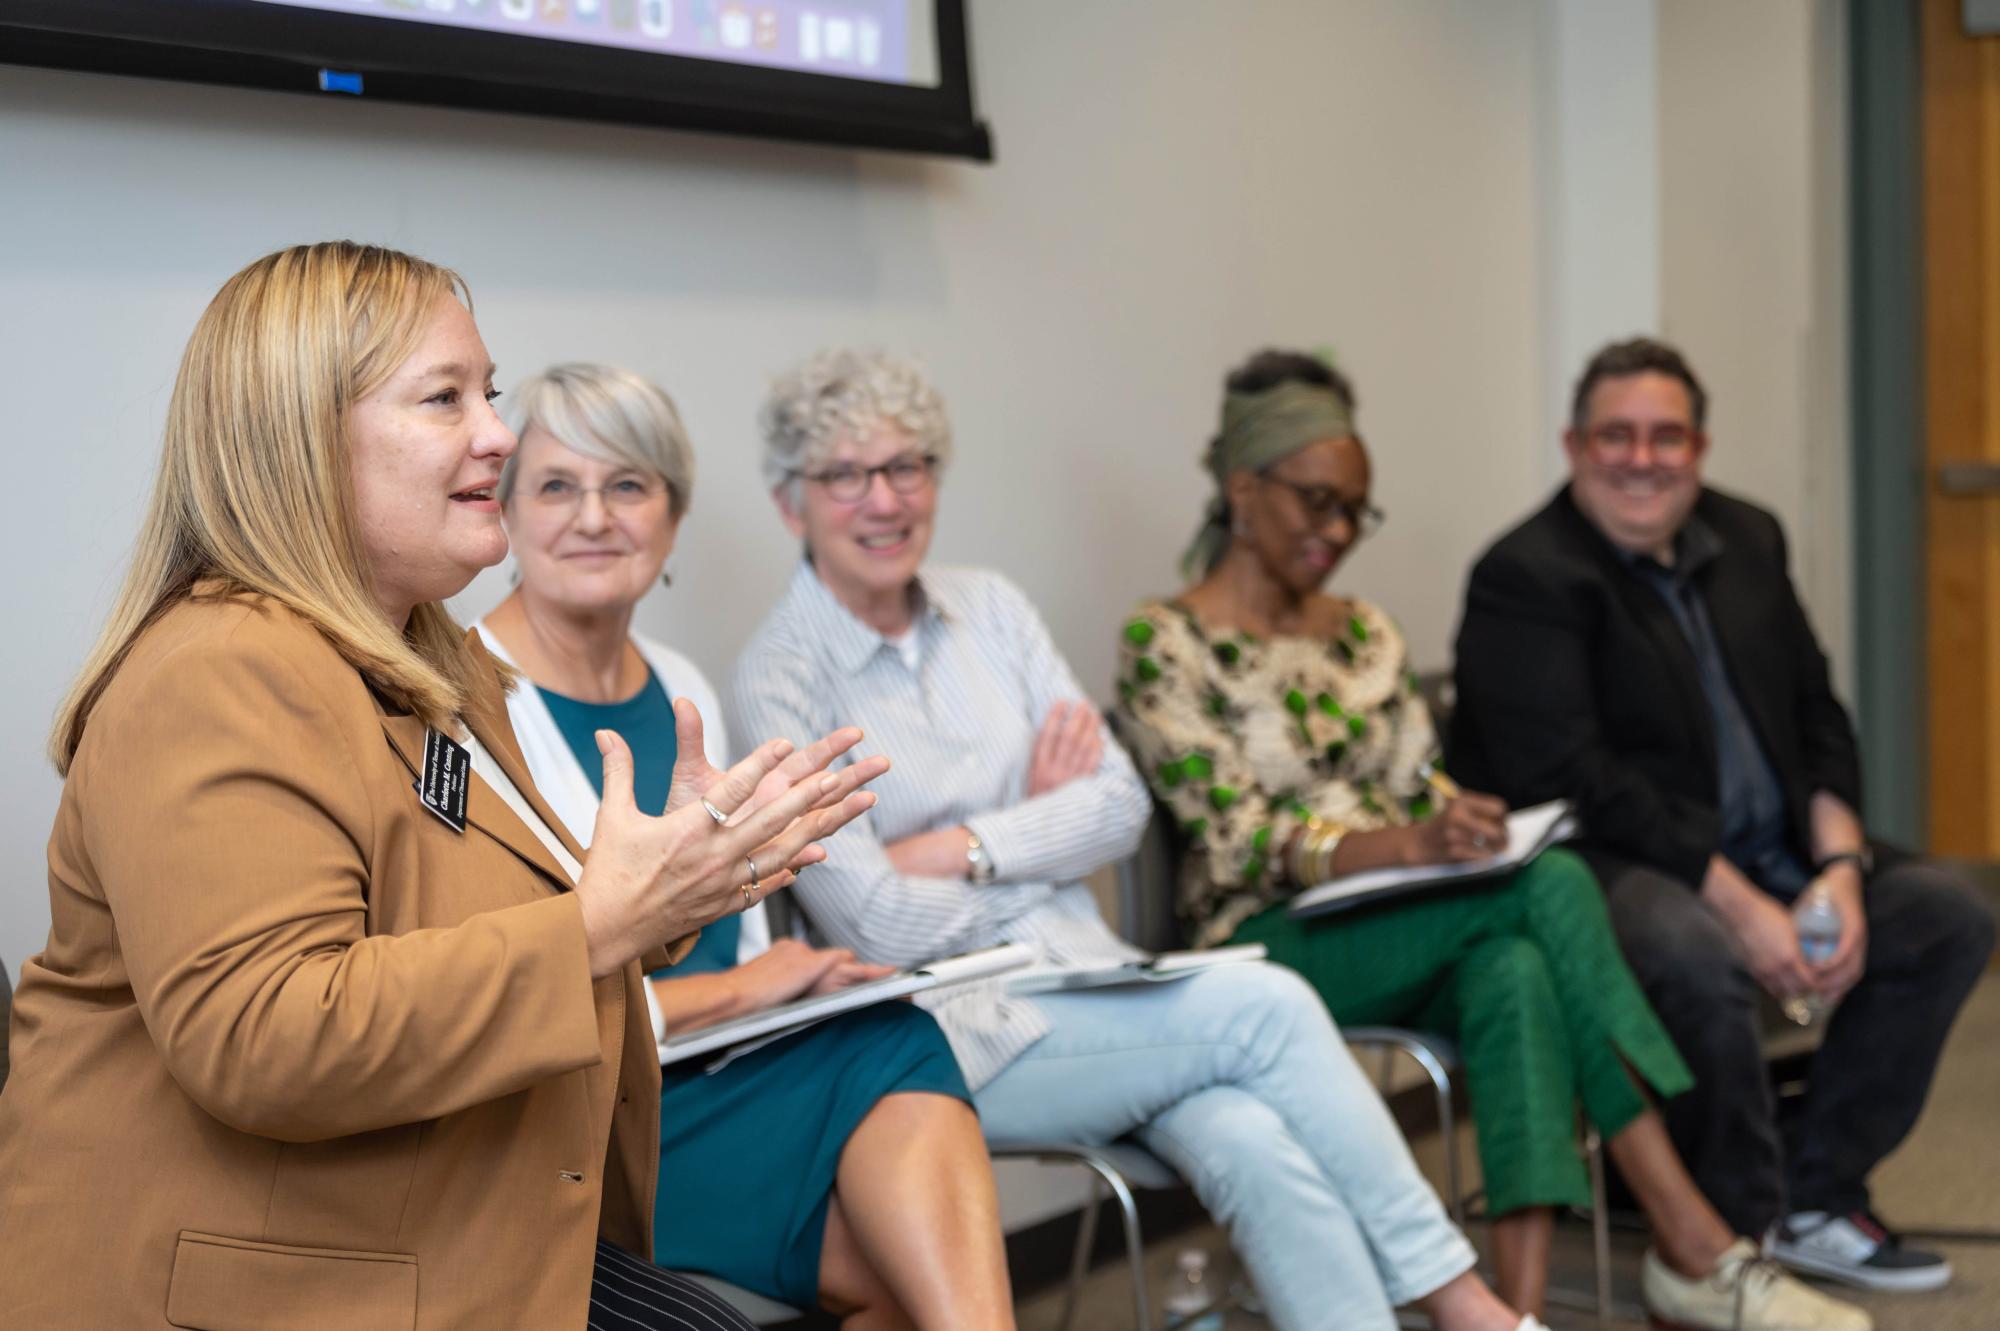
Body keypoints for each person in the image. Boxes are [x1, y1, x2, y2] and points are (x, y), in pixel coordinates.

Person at [0, 243, 883, 1331]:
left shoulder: (426, 653)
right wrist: (604, 922)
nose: (500, 436)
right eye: (443, 399)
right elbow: (266, 1036)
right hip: (264, 1279)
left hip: (424, 1224)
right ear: (301, 442)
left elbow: (478, 917)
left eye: (491, 393)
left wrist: (669, 893)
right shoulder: (216, 670)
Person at [731, 348, 1553, 1331]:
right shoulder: (777, 676)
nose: (883, 499)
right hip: (947, 1036)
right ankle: (1469, 1308)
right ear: (792, 504)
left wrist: (957, 844)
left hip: (1094, 983)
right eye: (844, 475)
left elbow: (1116, 805)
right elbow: (872, 916)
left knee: (1250, 1135)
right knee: (1265, 1004)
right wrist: (1043, 832)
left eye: (906, 467)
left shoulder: (988, 605)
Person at [1113, 347, 1868, 1331]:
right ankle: (1693, 1239)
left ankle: (1510, 1315)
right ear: (1240, 487)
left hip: (1407, 920)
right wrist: (1404, 842)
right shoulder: (1162, 640)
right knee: (1551, 888)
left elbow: (1419, 781)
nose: (1336, 531)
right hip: (1259, 946)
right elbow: (1235, 835)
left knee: (1515, 962)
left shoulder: (1363, 633)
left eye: (1354, 508)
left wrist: (1455, 821)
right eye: (1314, 502)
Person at [1451, 335, 1998, 1294]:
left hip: (1774, 844)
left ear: (1700, 449)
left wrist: (1838, 870)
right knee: (1695, 948)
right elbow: (1579, 781)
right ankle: (1736, 1237)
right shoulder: (1525, 576)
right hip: (1603, 862)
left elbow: (1817, 714)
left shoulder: (1748, 537)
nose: (1641, 458)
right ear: (1573, 444)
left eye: (1667, 437)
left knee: (1949, 914)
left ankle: (1814, 1195)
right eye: (1615, 435)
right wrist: (1746, 908)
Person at [475, 361, 1014, 1330]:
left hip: (727, 1069)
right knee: (894, 1064)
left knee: (904, 1245)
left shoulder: (678, 679)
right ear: (504, 511)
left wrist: (796, 976)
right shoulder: (472, 699)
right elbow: (518, 995)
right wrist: (747, 987)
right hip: (596, 1120)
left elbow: (742, 932)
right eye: (557, 485)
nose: (593, 515)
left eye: (627, 484)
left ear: (672, 516)